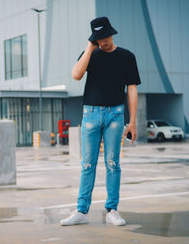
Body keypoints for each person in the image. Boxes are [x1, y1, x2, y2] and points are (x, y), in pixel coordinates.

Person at [60, 17, 141, 226]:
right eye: (98, 38)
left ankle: (112, 209)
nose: (102, 42)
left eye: (104, 37)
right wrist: (90, 46)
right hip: (91, 114)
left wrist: (132, 121)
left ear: (111, 33)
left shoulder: (126, 56)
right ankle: (81, 211)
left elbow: (132, 88)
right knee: (87, 164)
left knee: (113, 163)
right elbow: (76, 75)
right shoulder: (90, 54)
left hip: (115, 114)